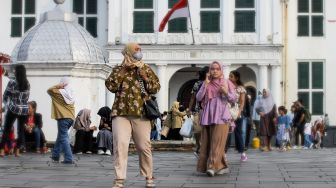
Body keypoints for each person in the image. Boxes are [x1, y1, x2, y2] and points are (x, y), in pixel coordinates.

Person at [105, 42, 160, 188]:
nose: (139, 51)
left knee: (144, 146)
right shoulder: (118, 69)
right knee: (120, 145)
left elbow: (155, 88)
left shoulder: (145, 68)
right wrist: (123, 71)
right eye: (136, 49)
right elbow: (111, 86)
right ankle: (119, 178)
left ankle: (149, 175)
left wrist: (145, 77)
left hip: (141, 113)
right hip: (120, 113)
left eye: (140, 49)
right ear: (128, 52)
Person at [196, 61, 236, 177]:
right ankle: (222, 166)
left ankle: (212, 167)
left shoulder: (226, 83)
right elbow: (199, 97)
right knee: (208, 143)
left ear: (221, 70)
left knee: (217, 142)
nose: (215, 71)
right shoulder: (207, 83)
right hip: (208, 116)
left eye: (217, 69)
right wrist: (205, 83)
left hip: (222, 116)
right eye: (212, 69)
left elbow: (233, 99)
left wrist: (225, 92)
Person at [0, 65, 30, 157]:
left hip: (13, 108)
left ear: (17, 72)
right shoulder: (27, 83)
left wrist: (6, 104)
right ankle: (17, 151)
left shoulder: (12, 82)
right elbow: (27, 97)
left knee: (7, 129)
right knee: (21, 131)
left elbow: (6, 95)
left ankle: (1, 150)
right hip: (24, 109)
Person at [48, 77, 75, 164]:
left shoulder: (59, 93)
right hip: (71, 118)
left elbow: (49, 90)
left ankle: (68, 158)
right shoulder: (71, 93)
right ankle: (55, 156)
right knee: (61, 136)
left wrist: (59, 86)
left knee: (63, 137)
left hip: (63, 118)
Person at [226, 70, 249, 161]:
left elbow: (242, 102)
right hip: (227, 112)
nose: (229, 78)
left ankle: (242, 153)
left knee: (238, 133)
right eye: (229, 76)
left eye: (231, 76)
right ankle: (224, 153)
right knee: (226, 133)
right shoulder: (227, 87)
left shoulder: (240, 88)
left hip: (236, 112)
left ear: (236, 78)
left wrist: (239, 112)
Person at [187, 66, 209, 158]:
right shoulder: (198, 83)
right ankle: (199, 146)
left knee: (207, 131)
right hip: (197, 110)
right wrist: (189, 109)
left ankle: (205, 149)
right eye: (208, 72)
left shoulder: (213, 83)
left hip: (209, 110)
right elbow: (193, 97)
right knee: (198, 130)